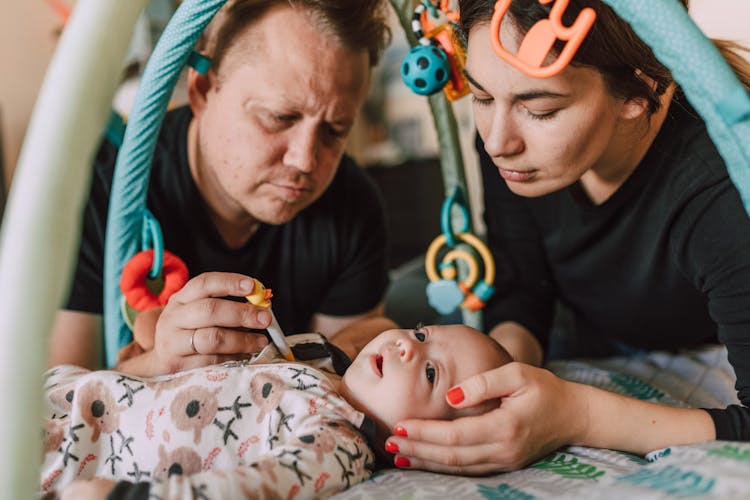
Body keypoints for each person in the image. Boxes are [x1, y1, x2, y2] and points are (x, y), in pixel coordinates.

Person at [382, 0, 750, 474]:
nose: (497, 141)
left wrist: (575, 414)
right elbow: (521, 281)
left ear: (640, 91)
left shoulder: (721, 189)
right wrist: (491, 383)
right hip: (576, 313)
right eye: (482, 97)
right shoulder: (513, 146)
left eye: (541, 110)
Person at [49, 0, 397, 375]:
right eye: (279, 117)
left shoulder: (353, 205)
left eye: (335, 130)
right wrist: (156, 366)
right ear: (202, 90)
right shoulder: (98, 189)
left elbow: (339, 389)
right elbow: (55, 412)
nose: (306, 161)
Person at [39, 324, 512, 499]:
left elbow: (253, 488)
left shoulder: (338, 441)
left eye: (431, 374)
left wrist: (126, 497)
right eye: (422, 334)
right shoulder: (319, 359)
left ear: (427, 440)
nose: (407, 345)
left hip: (73, 462)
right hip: (65, 394)